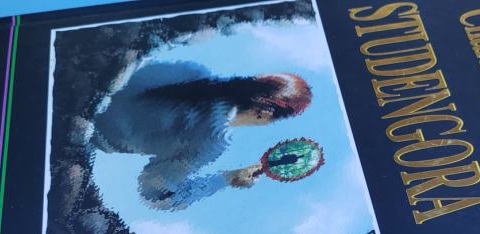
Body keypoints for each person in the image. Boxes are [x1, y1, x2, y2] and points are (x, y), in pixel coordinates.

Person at [91, 61, 313, 210]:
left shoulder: (193, 70)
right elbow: (156, 194)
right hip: (89, 138)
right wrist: (227, 178)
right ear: (265, 112)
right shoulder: (213, 138)